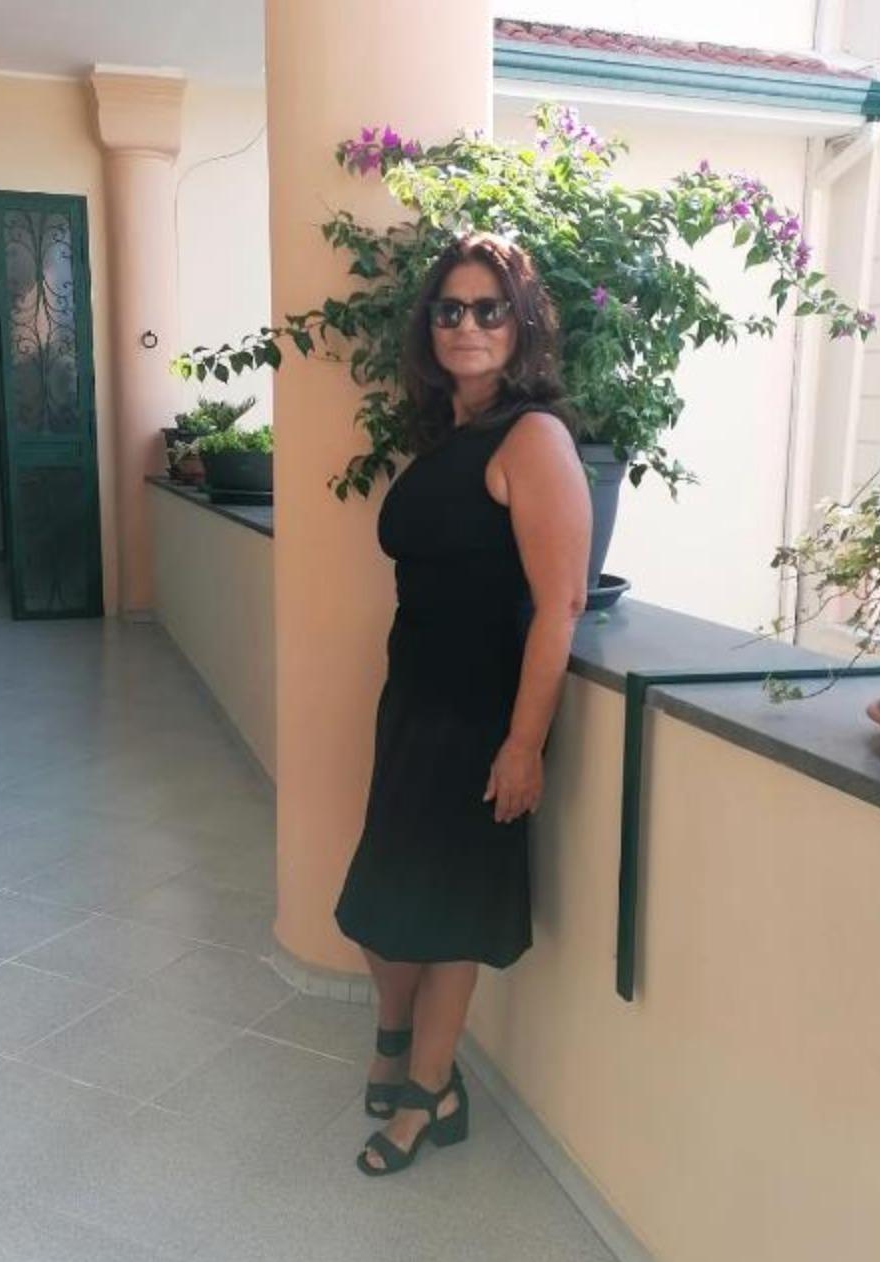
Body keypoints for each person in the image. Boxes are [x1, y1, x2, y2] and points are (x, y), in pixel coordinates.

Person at [333, 230, 592, 1176]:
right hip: (414, 702)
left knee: (446, 912)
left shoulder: (536, 439)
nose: (468, 325)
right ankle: (399, 1040)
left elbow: (561, 606)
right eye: (450, 309)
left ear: (521, 326)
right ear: (430, 327)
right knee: (383, 903)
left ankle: (430, 1091)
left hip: (482, 715)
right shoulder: (451, 436)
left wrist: (523, 744)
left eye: (489, 309)